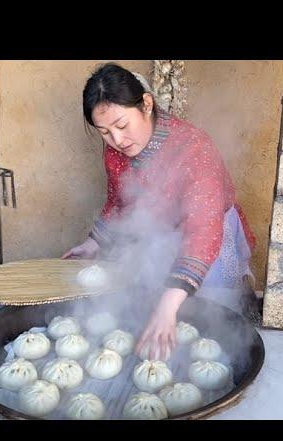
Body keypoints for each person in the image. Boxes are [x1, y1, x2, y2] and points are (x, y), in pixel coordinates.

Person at [62, 63, 257, 361]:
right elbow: (119, 199)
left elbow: (203, 229)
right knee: (163, 311)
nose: (117, 140)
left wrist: (168, 303)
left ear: (147, 105)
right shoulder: (117, 148)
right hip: (160, 237)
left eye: (122, 125)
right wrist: (94, 242)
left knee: (213, 320)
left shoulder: (194, 148)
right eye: (104, 132)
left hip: (208, 238)